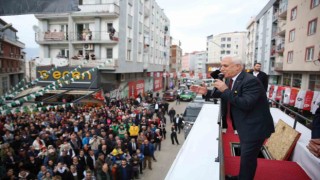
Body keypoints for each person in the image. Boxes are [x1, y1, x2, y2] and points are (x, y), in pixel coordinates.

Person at [213, 56, 275, 180]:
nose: (221, 69)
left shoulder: (250, 81)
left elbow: (246, 103)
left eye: (225, 66)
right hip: (247, 125)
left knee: (248, 159)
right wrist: (206, 92)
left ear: (238, 67)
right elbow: (223, 95)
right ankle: (242, 177)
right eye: (221, 65)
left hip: (255, 127)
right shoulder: (233, 79)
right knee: (247, 158)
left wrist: (225, 90)